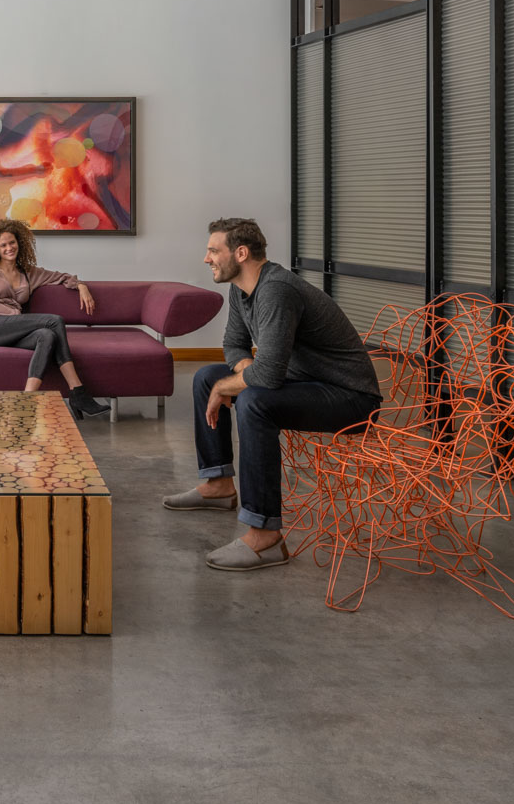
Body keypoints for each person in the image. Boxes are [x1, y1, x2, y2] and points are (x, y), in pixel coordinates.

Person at [163, 218, 381, 570]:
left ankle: (265, 538)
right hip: (303, 380)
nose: (207, 259)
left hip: (350, 397)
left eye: (213, 250)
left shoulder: (278, 290)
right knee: (206, 376)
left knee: (253, 401)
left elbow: (266, 376)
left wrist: (232, 384)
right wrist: (241, 370)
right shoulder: (241, 288)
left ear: (241, 252)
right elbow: (233, 344)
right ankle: (218, 485)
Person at [0, 218, 111, 419]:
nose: (9, 248)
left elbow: (62, 277)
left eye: (12, 242)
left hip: (14, 327)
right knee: (54, 321)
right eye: (3, 245)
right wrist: (20, 318)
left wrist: (81, 286)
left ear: (19, 242)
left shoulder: (28, 273)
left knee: (46, 336)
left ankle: (27, 401)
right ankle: (78, 392)